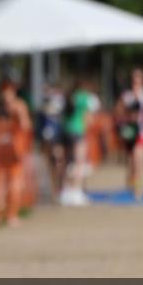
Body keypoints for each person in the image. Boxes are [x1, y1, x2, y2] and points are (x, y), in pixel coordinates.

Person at [114, 68, 143, 201]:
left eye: (139, 78)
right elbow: (117, 111)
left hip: (141, 130)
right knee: (131, 161)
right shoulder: (126, 95)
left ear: (142, 79)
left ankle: (139, 188)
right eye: (134, 77)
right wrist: (125, 117)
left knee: (138, 158)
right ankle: (131, 177)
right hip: (128, 131)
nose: (136, 80)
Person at [0, 79, 33, 225]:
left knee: (3, 181)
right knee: (12, 182)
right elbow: (26, 125)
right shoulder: (18, 106)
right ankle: (10, 215)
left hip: (6, 145)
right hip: (13, 147)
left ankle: (2, 214)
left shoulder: (0, 106)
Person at [60, 78, 96, 206]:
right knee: (79, 162)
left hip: (66, 130)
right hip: (78, 130)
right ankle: (76, 191)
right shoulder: (85, 97)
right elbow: (88, 117)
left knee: (66, 161)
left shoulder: (70, 96)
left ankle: (64, 190)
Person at [37, 84, 67, 202]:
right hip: (48, 141)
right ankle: (54, 190)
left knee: (59, 163)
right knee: (50, 164)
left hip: (58, 139)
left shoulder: (59, 106)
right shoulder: (43, 111)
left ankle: (59, 189)